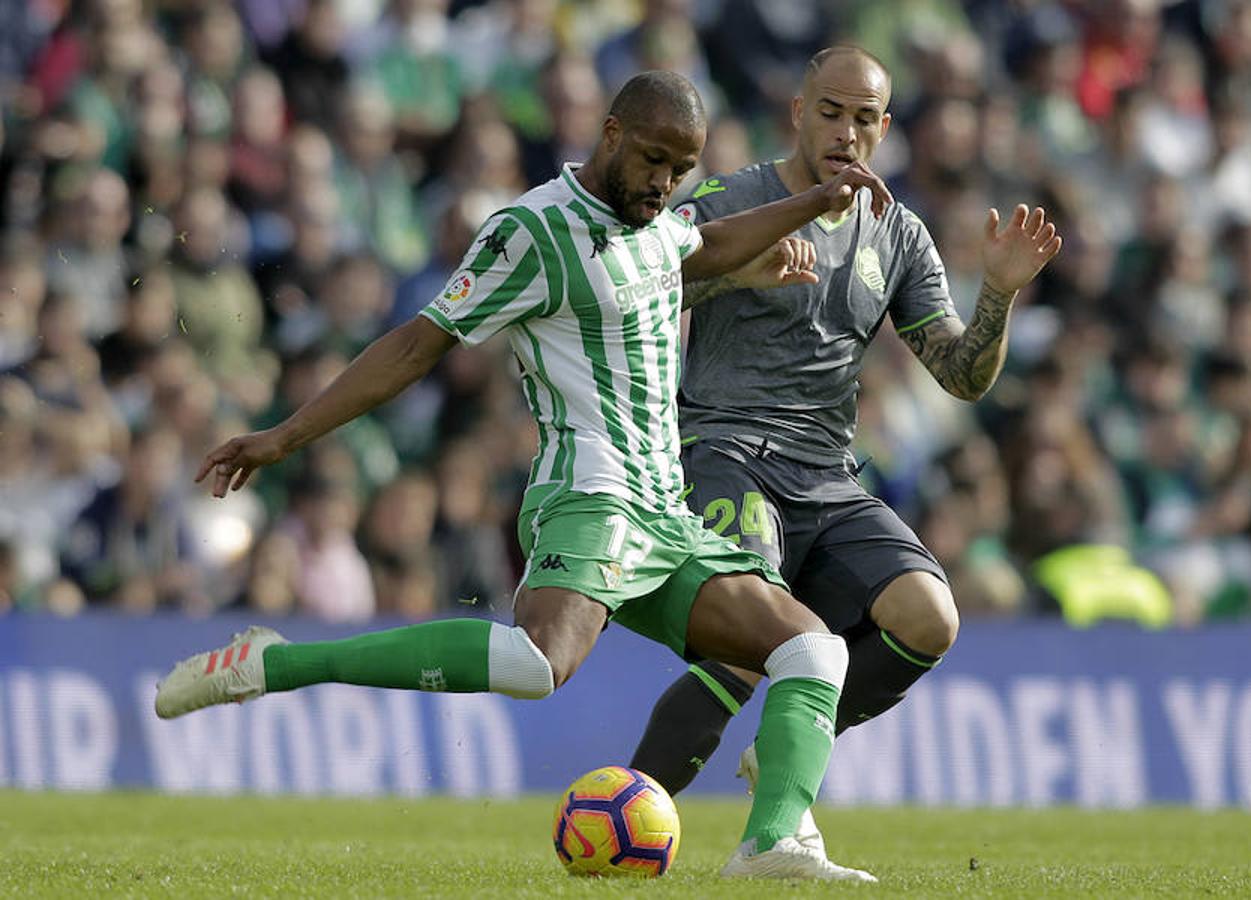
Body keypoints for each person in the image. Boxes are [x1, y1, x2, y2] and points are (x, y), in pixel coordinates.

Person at [154, 70, 894, 881]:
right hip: (589, 493)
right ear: (610, 134)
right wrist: (285, 436)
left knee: (813, 652)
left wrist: (812, 203)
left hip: (665, 511)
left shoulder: (657, 222)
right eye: (651, 160)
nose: (662, 184)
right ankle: (272, 663)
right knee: (537, 667)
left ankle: (771, 844)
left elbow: (701, 247)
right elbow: (417, 344)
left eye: (680, 171)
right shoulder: (531, 232)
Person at [627, 46, 1061, 849]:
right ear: (798, 112)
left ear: (886, 128)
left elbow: (962, 376)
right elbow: (643, 278)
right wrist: (741, 273)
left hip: (826, 474)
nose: (846, 131)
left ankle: (787, 749)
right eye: (830, 111)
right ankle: (631, 810)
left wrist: (996, 293)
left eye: (865, 118)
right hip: (724, 446)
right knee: (756, 643)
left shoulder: (898, 232)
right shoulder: (734, 197)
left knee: (929, 617)